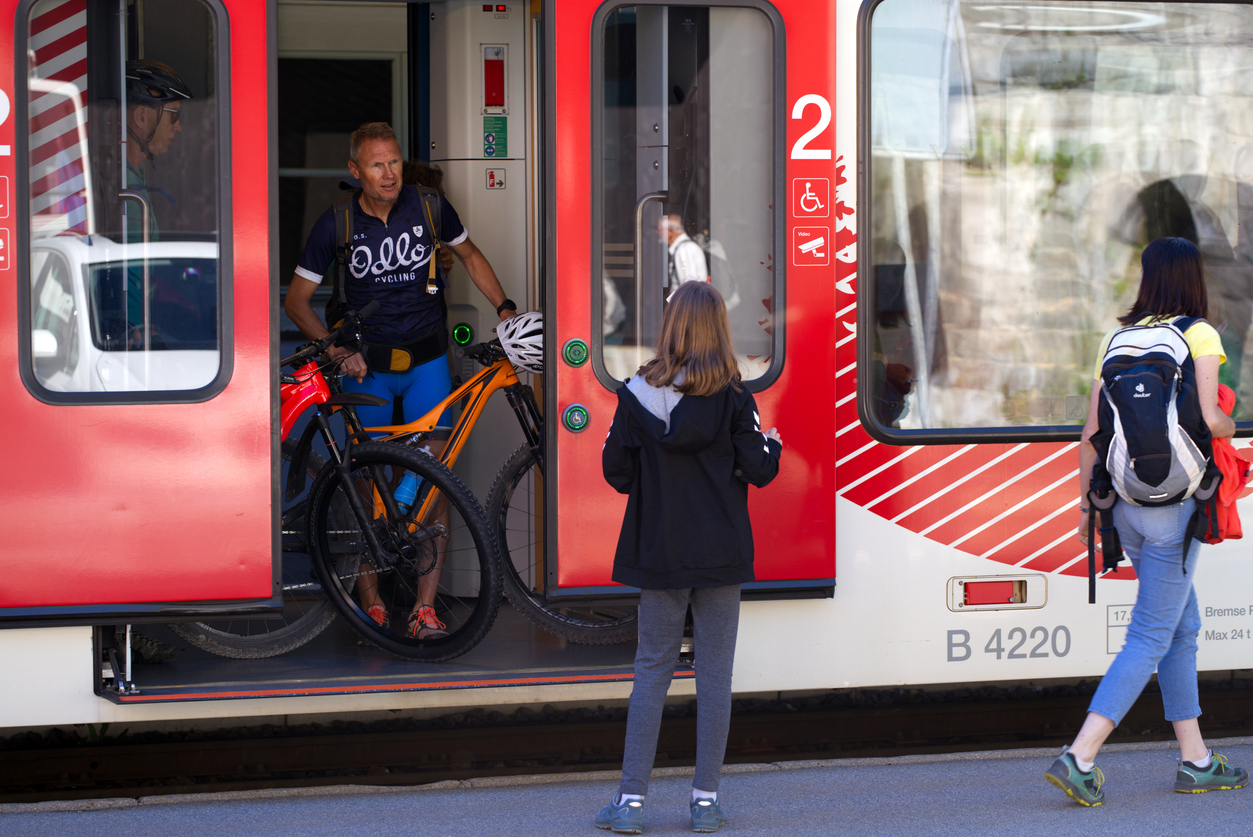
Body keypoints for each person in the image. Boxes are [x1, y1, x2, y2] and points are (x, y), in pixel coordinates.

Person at [285, 122, 517, 640]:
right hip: (365, 370)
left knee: (436, 480)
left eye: (393, 162)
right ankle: (373, 606)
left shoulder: (430, 206)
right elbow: (295, 302)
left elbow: (472, 256)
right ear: (355, 171)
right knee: (368, 483)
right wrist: (335, 347)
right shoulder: (336, 224)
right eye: (376, 164)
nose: (388, 173)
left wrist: (503, 307)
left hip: (428, 362)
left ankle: (425, 610)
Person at [1046, 237, 1248, 806]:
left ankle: (1196, 760)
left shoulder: (1118, 340)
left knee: (1181, 629)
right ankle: (1079, 755)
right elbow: (1211, 420)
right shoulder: (1198, 334)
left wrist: (1089, 505)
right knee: (1151, 635)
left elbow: (1090, 435)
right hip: (1175, 514)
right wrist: (1232, 427)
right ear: (1193, 279)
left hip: (1127, 511)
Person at [596, 281, 782, 834]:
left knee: (652, 670)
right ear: (719, 330)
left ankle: (630, 804)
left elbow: (617, 472)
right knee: (715, 674)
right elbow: (761, 469)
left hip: (660, 553)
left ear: (671, 327)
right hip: (720, 553)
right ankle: (705, 802)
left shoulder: (634, 394)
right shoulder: (734, 397)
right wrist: (772, 443)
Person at [123, 59, 192, 347]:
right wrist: (129, 326)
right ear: (141, 116)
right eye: (173, 116)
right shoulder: (123, 185)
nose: (177, 128)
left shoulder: (134, 178)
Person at [662, 214, 709, 297]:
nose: (657, 233)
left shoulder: (683, 250)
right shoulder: (684, 248)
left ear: (670, 232)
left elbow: (689, 289)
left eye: (660, 230)